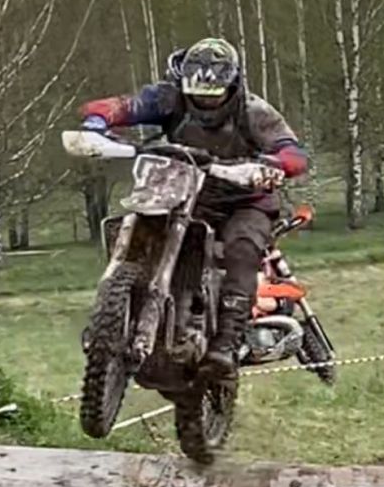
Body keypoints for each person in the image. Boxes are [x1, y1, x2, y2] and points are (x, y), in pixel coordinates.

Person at [77, 38, 308, 380]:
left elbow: (294, 153)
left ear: (232, 86)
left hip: (243, 199)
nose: (205, 101)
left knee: (242, 249)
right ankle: (117, 315)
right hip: (185, 191)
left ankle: (228, 341)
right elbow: (119, 106)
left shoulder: (254, 112)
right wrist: (98, 122)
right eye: (198, 93)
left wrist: (272, 163)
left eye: (214, 94)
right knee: (141, 222)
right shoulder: (168, 98)